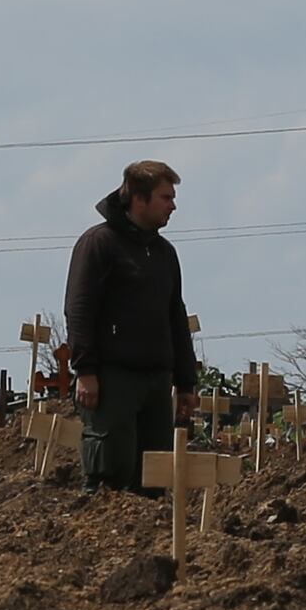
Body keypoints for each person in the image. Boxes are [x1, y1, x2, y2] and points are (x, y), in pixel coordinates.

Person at [61, 160, 193, 495]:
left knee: (153, 476)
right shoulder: (99, 244)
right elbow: (79, 310)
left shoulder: (164, 253)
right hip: (112, 378)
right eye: (165, 197)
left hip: (155, 380)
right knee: (110, 468)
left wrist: (186, 382)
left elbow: (175, 316)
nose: (173, 205)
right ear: (139, 198)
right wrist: (86, 369)